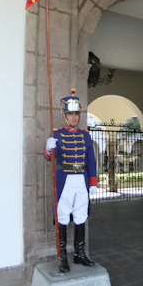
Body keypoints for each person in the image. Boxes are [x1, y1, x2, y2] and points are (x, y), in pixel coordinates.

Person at [44, 88, 97, 273]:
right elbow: (50, 158)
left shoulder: (85, 136)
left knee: (81, 215)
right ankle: (63, 257)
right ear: (64, 115)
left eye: (76, 113)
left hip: (81, 179)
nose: (74, 117)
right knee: (63, 216)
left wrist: (93, 183)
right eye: (70, 114)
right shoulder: (57, 134)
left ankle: (80, 254)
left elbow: (91, 160)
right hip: (64, 179)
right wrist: (49, 148)